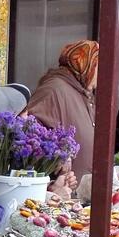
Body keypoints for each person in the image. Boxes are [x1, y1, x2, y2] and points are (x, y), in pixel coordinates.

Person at [0, 83, 78, 200]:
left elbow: (17, 183)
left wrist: (52, 186)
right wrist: (53, 196)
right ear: (11, 119)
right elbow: (4, 198)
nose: (30, 118)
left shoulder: (4, 146)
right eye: (25, 112)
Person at [25, 39, 98, 181]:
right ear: (85, 64)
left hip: (79, 193)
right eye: (98, 67)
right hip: (60, 191)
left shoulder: (82, 92)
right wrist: (58, 155)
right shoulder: (54, 89)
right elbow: (30, 131)